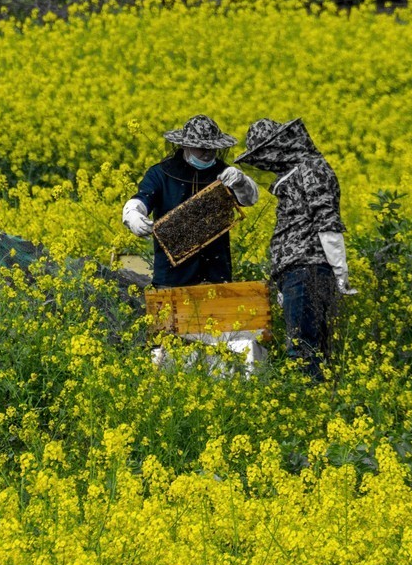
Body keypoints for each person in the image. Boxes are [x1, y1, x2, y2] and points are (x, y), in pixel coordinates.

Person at [234, 117, 356, 380]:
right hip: (297, 273)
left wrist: (340, 270)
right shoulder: (295, 175)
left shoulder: (313, 169)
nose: (264, 164)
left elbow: (327, 221)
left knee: (303, 350)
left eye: (264, 155)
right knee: (307, 346)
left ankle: (309, 395)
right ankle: (316, 394)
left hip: (308, 270)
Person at [122, 115, 259, 288]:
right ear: (185, 145)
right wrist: (132, 214)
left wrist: (241, 182)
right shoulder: (160, 174)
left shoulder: (224, 173)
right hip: (172, 277)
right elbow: (143, 198)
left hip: (216, 272)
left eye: (213, 148)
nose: (208, 152)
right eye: (201, 148)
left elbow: (249, 199)